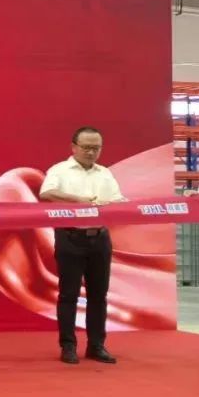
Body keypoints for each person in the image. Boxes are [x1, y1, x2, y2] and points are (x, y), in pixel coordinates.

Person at [39, 126, 124, 365]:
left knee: (99, 295)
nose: (91, 152)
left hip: (100, 238)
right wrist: (78, 201)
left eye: (96, 148)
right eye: (86, 147)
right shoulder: (60, 170)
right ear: (74, 147)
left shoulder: (105, 173)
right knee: (69, 294)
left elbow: (118, 200)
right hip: (70, 237)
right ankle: (68, 346)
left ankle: (97, 345)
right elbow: (46, 193)